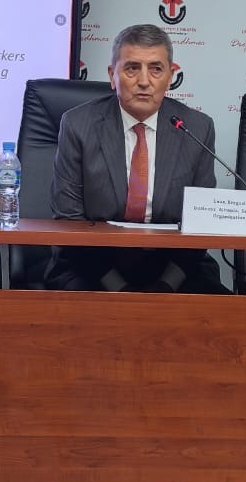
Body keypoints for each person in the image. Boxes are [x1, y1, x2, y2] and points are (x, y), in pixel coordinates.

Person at [45, 23, 226, 293]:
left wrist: (167, 285)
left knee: (223, 306)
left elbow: (200, 223)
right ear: (112, 75)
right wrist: (119, 289)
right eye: (132, 68)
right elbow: (69, 221)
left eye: (156, 69)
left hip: (173, 263)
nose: (144, 81)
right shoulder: (78, 125)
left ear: (170, 76)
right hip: (94, 262)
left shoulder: (196, 128)